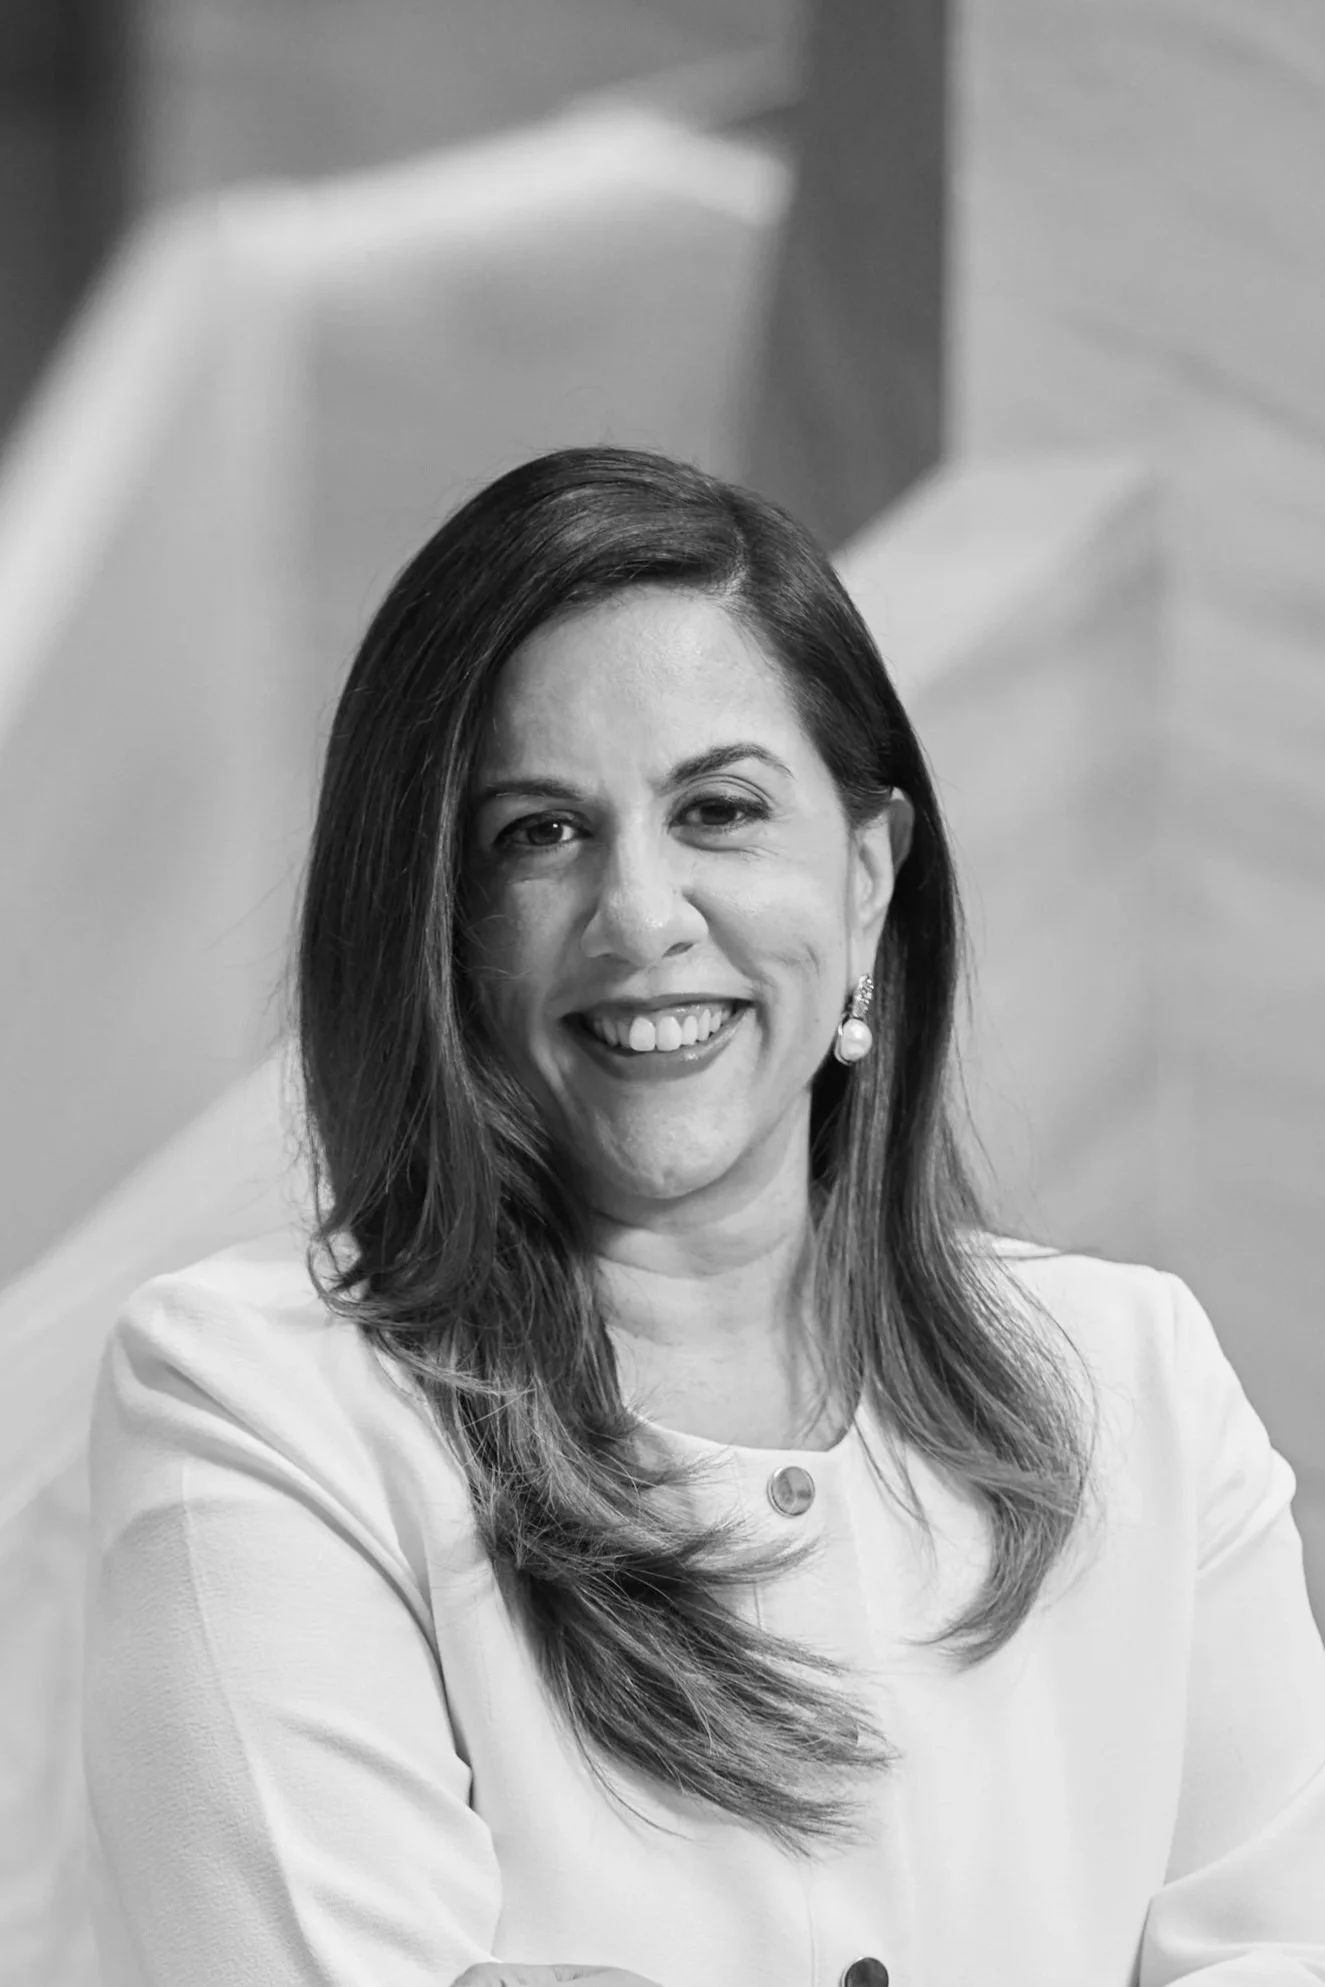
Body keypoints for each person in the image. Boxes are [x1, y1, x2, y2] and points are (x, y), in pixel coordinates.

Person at [82, 446, 1325, 1987]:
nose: (642, 915)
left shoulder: (1136, 1384)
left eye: (720, 810)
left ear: (865, 878)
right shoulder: (255, 1405)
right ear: (439, 929)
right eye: (539, 832)